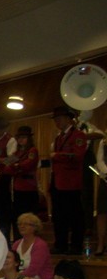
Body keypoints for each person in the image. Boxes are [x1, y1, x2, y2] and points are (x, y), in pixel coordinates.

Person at [49, 106, 88, 254]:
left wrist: (57, 156)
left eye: (59, 119)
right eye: (55, 120)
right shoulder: (59, 137)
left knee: (75, 216)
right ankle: (61, 244)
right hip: (58, 182)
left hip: (71, 183)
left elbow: (78, 156)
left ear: (68, 119)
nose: (57, 122)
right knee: (59, 216)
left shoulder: (78, 135)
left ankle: (76, 246)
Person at [12, 213, 53, 279]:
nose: (22, 226)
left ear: (35, 227)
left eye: (26, 224)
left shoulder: (40, 245)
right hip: (19, 278)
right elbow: (11, 264)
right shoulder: (16, 244)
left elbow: (33, 270)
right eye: (20, 224)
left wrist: (15, 277)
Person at [7, 126, 40, 227]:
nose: (21, 140)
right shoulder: (16, 153)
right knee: (18, 217)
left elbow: (28, 164)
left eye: (24, 137)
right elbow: (7, 167)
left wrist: (16, 166)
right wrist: (16, 166)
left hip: (29, 188)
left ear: (29, 139)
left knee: (30, 218)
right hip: (18, 189)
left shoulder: (32, 150)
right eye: (19, 137)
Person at [96, 134, 107, 256]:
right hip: (105, 180)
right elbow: (100, 160)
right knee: (102, 213)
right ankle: (100, 244)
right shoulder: (103, 142)